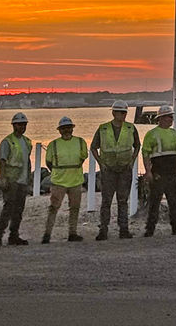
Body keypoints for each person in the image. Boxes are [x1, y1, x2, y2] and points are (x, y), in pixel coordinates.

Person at [90, 100, 139, 241]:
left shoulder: (130, 128)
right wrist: (100, 163)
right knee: (106, 201)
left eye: (125, 112)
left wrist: (132, 161)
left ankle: (124, 229)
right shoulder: (103, 129)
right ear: (113, 113)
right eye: (120, 112)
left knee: (123, 200)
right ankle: (103, 230)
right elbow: (93, 147)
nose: (123, 115)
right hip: (108, 170)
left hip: (124, 169)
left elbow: (137, 145)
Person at [142, 105, 176, 237]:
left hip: (172, 172)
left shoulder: (175, 134)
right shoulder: (151, 134)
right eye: (168, 117)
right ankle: (150, 229)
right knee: (154, 202)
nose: (170, 119)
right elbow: (145, 154)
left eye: (171, 117)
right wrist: (148, 171)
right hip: (158, 173)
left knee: (174, 201)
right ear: (160, 118)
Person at [43, 115, 88, 244]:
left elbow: (83, 157)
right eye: (64, 128)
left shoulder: (80, 142)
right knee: (53, 208)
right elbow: (49, 162)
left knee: (75, 208)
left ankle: (72, 233)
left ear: (72, 129)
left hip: (75, 181)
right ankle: (47, 234)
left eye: (68, 128)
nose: (66, 130)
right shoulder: (53, 145)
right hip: (59, 182)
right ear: (59, 130)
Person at [0, 112, 31, 246]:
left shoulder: (27, 142)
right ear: (14, 125)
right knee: (8, 208)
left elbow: (27, 161)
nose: (22, 127)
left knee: (19, 210)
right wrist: (3, 178)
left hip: (22, 180)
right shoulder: (7, 142)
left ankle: (13, 236)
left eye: (24, 124)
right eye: (20, 124)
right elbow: (2, 161)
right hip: (11, 180)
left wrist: (28, 179)